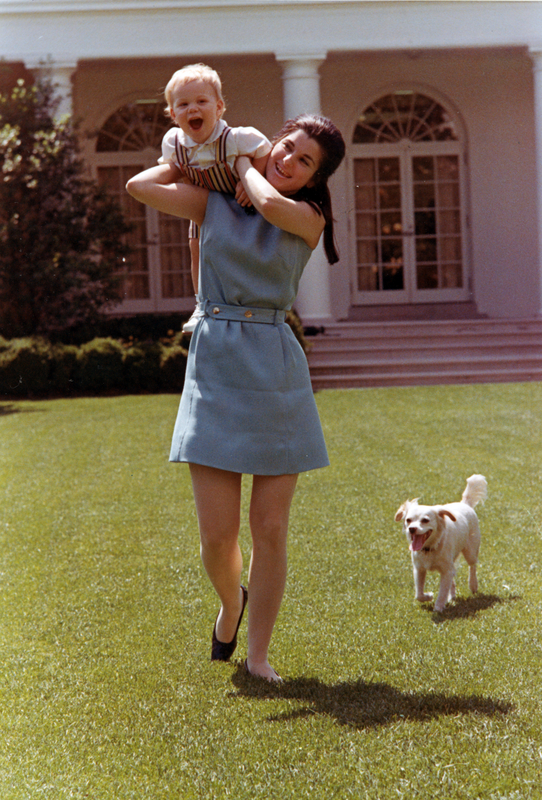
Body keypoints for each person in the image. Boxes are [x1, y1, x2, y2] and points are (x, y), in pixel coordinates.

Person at [127, 113, 345, 681]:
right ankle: (231, 602)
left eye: (305, 163)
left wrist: (242, 159)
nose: (288, 162)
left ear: (315, 181)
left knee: (269, 528)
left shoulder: (307, 217)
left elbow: (270, 207)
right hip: (215, 363)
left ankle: (259, 655)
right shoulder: (213, 204)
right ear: (275, 138)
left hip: (274, 368)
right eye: (287, 147)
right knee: (216, 537)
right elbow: (140, 187)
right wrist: (191, 154)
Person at [160, 63, 272, 332]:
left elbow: (265, 149)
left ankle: (251, 301)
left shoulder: (234, 138)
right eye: (184, 104)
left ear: (219, 107)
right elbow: (172, 168)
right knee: (196, 249)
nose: (193, 109)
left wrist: (251, 181)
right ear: (174, 114)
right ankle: (202, 305)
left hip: (238, 206)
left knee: (242, 253)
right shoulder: (174, 143)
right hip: (205, 208)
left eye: (201, 101)